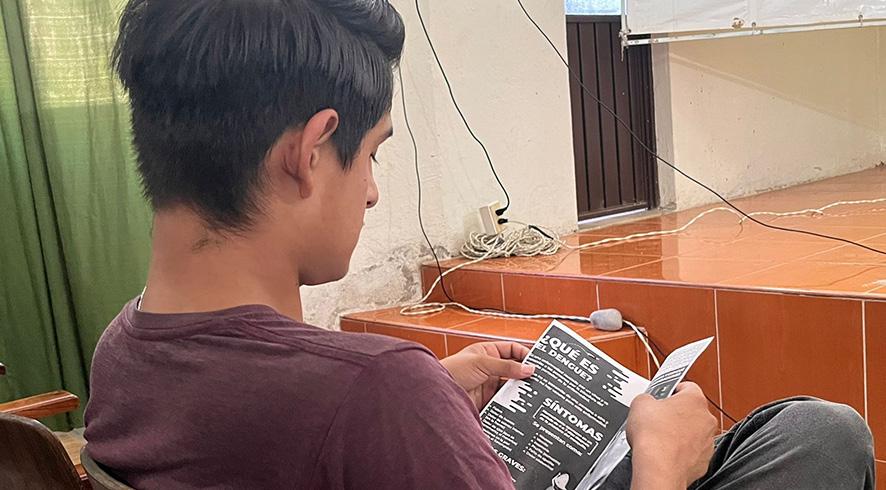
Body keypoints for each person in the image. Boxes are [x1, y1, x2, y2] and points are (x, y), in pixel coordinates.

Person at [84, 0, 875, 489]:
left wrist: (427, 401)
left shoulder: (121, 351)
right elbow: (334, 413)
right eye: (372, 155)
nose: (371, 192)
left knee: (808, 430)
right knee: (819, 438)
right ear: (311, 151)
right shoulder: (374, 393)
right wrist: (662, 467)